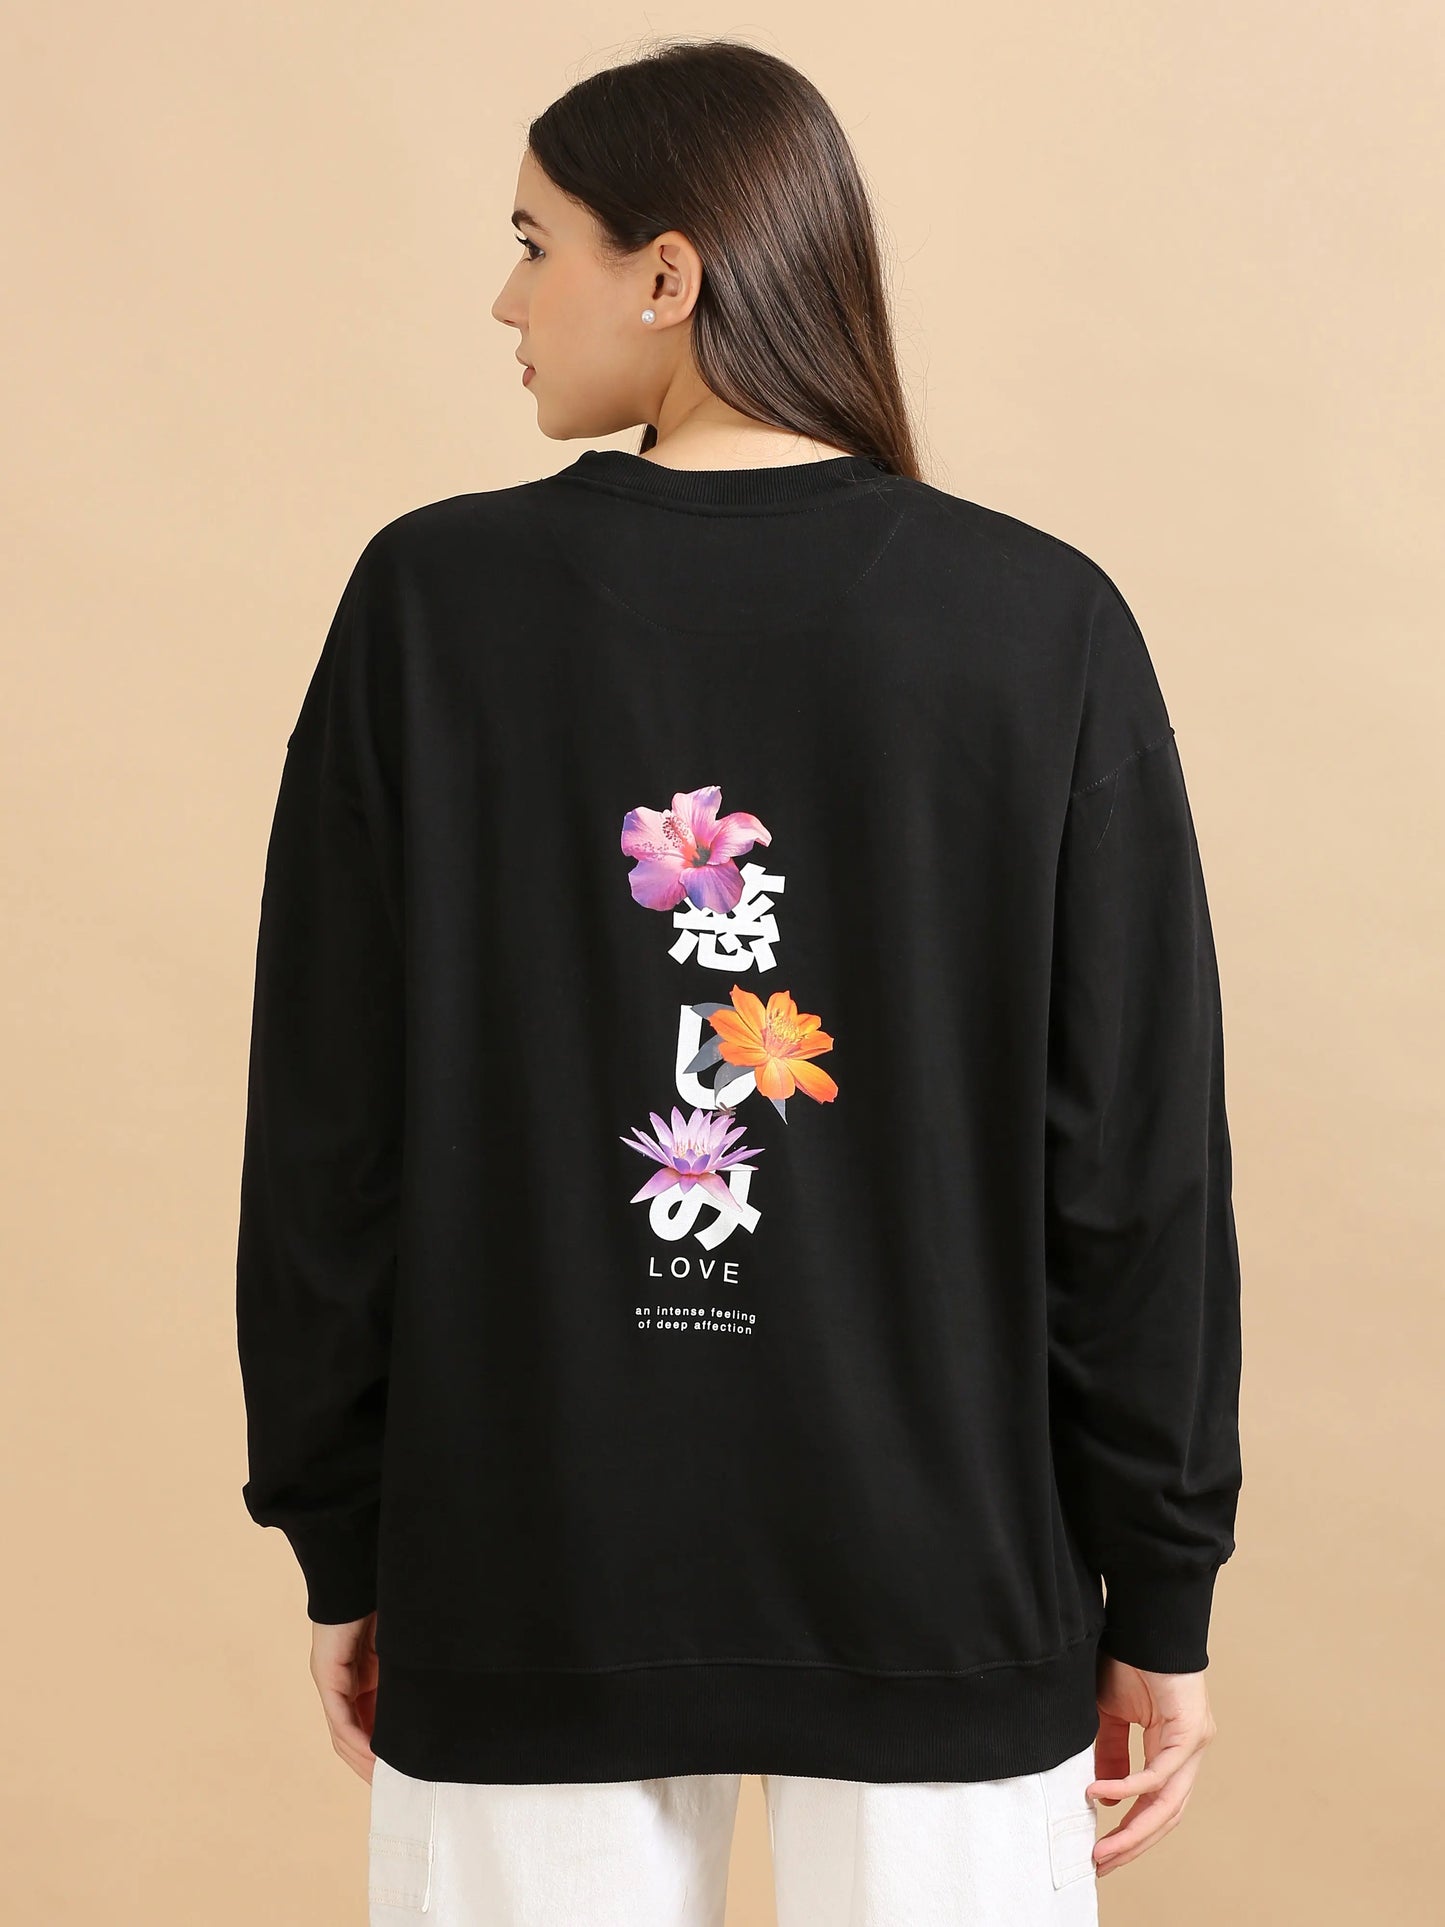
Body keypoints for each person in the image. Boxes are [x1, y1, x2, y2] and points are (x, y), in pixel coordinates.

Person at [235, 36, 1243, 1927]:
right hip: (945, 1578)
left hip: (526, 1560)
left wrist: (345, 1534)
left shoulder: (431, 610)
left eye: (532, 243)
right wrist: (1159, 1583)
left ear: (666, 272)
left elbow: (324, 1140)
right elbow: (1133, 1167)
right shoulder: (1037, 624)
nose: (505, 301)